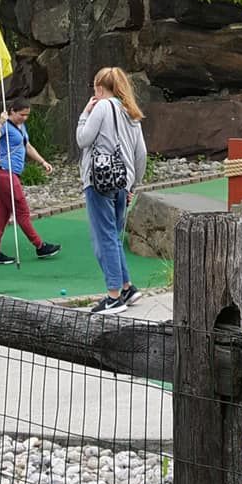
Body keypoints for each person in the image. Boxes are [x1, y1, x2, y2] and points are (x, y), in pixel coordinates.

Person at [76, 67, 147, 314]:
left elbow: (83, 139)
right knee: (113, 237)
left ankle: (114, 296)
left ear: (99, 86)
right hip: (122, 182)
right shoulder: (131, 112)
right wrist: (132, 185)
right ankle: (127, 287)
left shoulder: (103, 107)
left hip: (100, 180)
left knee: (104, 238)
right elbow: (141, 155)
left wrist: (84, 114)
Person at [0, 98, 61, 264]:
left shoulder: (21, 126)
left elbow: (27, 146)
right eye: (22, 115)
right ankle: (40, 246)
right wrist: (0, 122)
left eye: (27, 115)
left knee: (3, 214)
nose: (24, 118)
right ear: (12, 111)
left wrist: (42, 161)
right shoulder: (5, 126)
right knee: (22, 211)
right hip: (5, 173)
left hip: (11, 175)